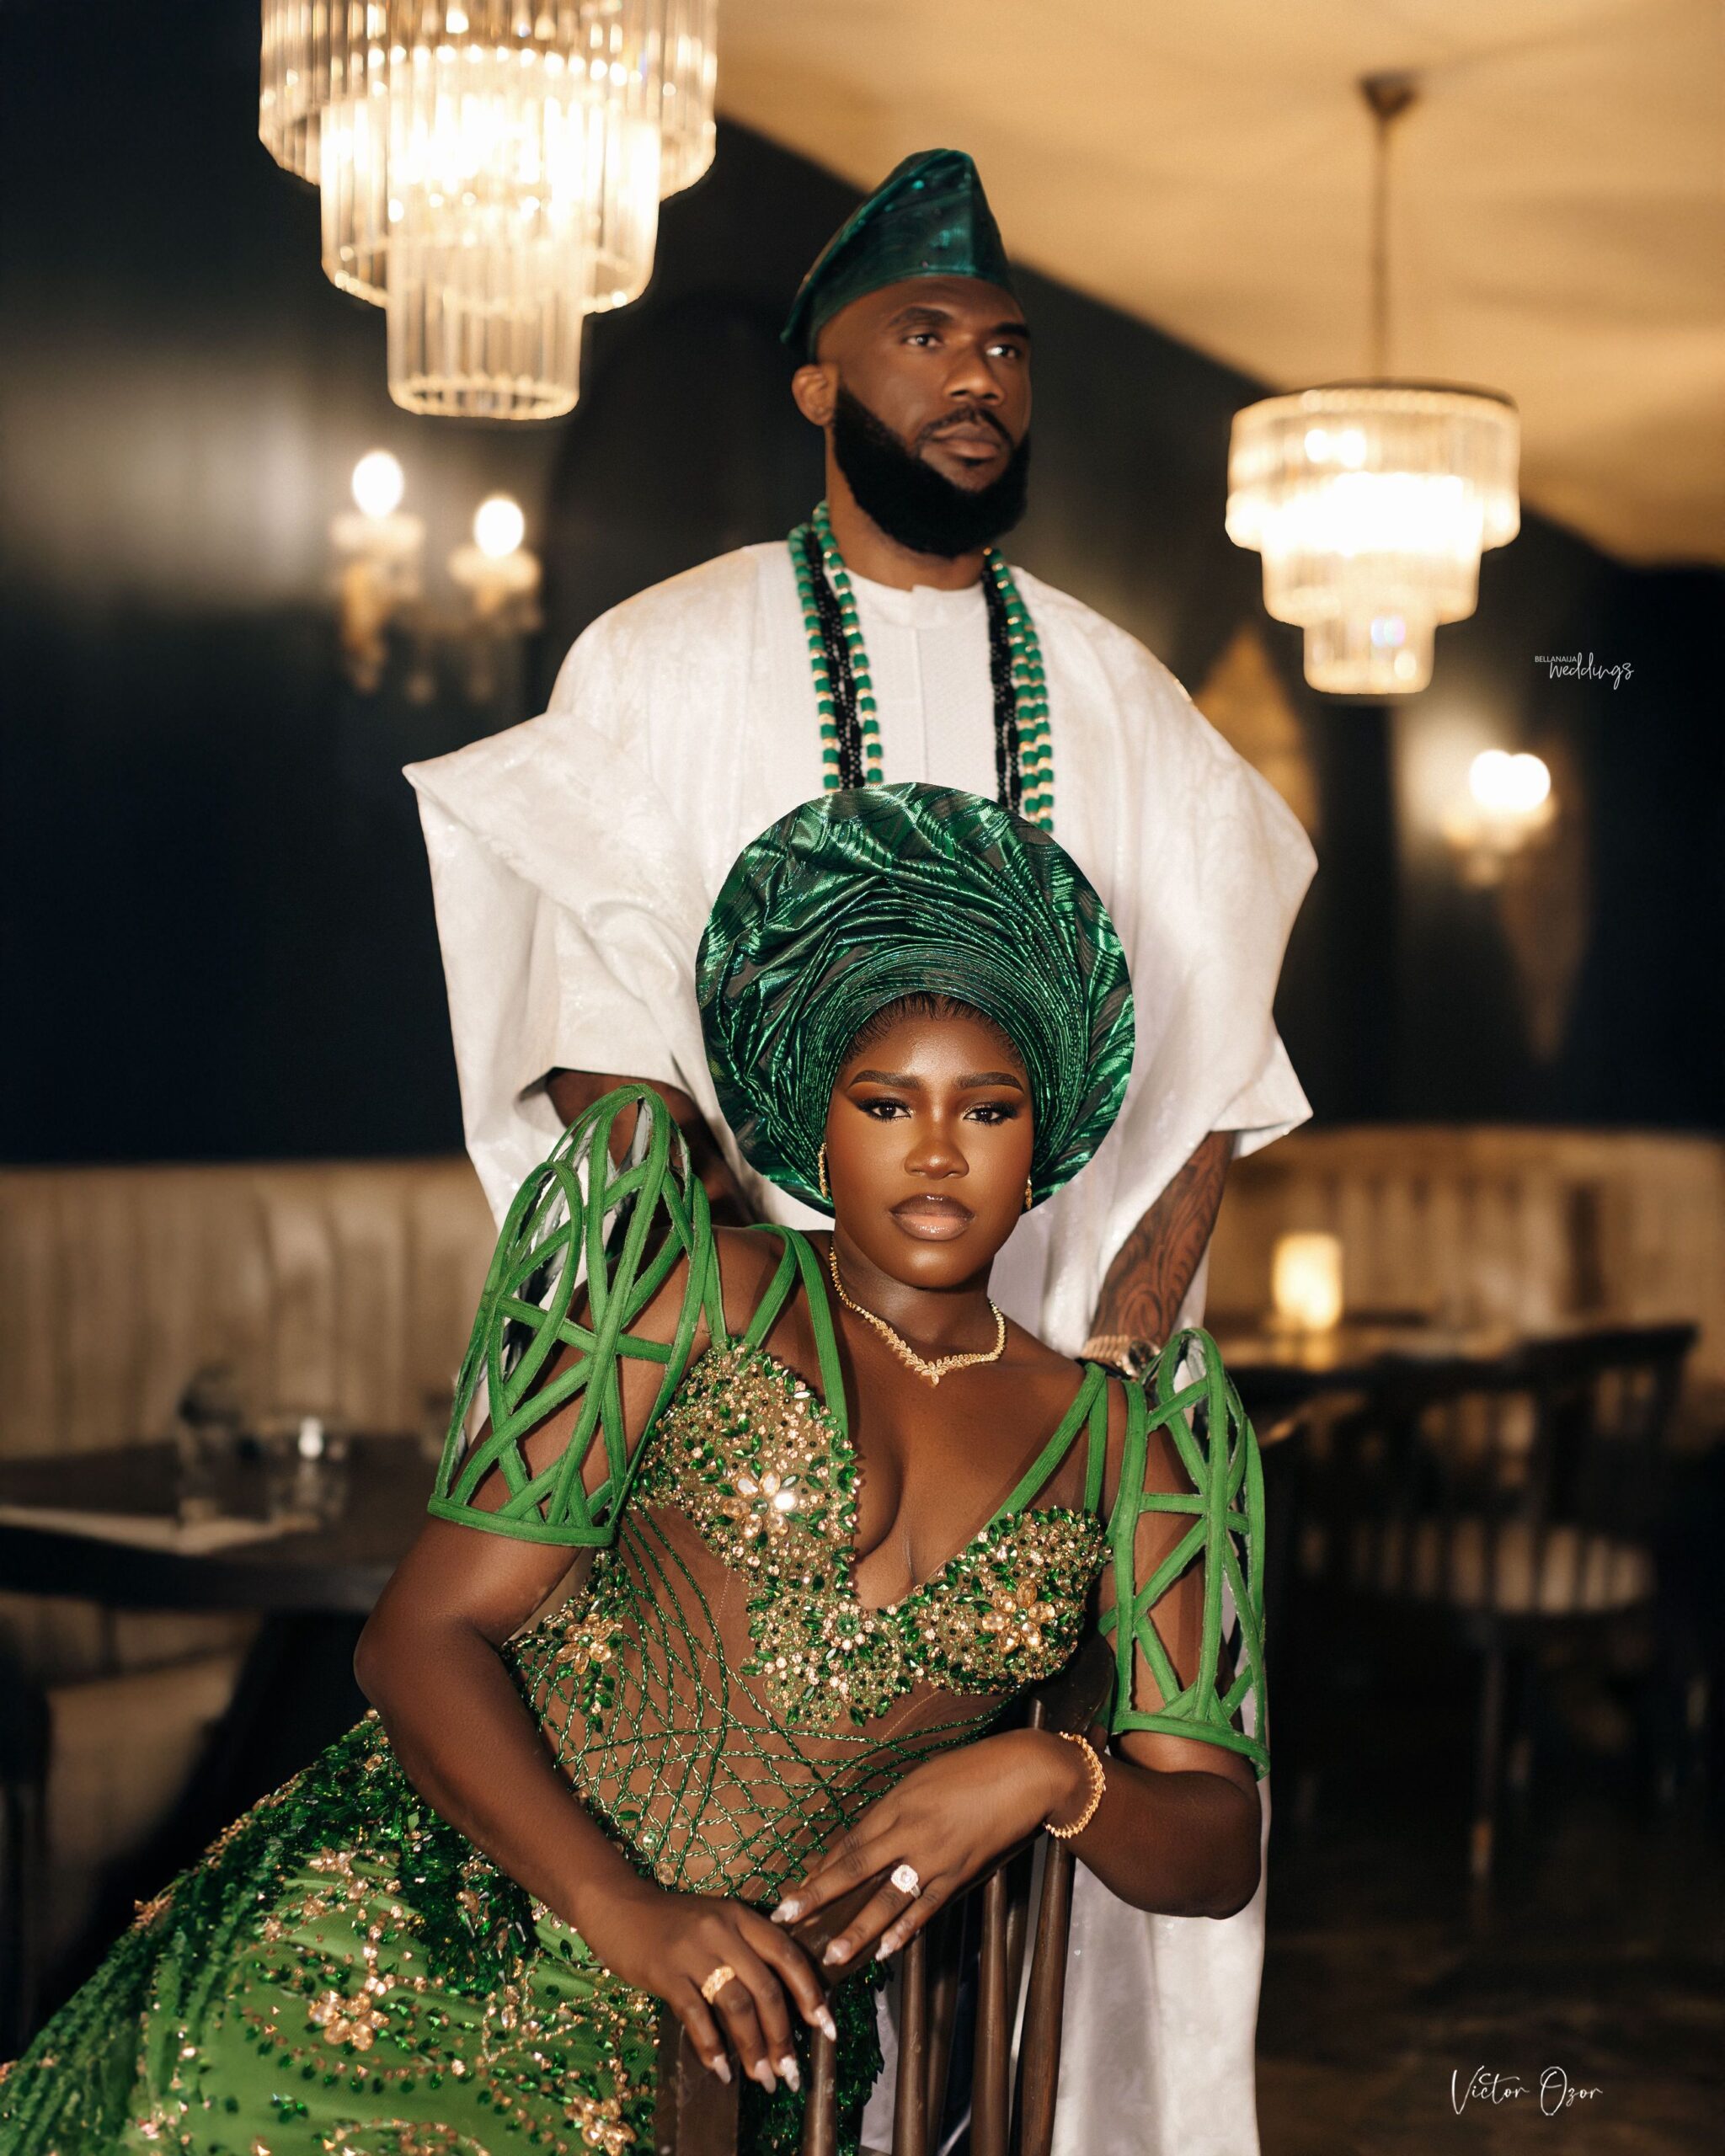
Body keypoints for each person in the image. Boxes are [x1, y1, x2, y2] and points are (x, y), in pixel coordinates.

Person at [408, 147, 1310, 2156]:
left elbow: (1218, 1073)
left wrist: (1116, 1390)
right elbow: (608, 1073)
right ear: (819, 380)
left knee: (1076, 1944)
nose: (976, 374)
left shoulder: (1124, 693)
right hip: (717, 1430)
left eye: (1005, 344)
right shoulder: (661, 657)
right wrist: (758, 1362)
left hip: (1036, 1434)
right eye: (924, 335)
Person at [0, 786, 1268, 2156]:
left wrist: (1053, 1775)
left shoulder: (1127, 1445)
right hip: (409, 1933)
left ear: (1045, 1137)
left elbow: (1215, 1849)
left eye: (990, 1108)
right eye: (886, 1102)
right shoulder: (692, 1292)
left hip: (726, 2060)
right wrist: (622, 1910)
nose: (936, 1151)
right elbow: (417, 1638)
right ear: (817, 1122)